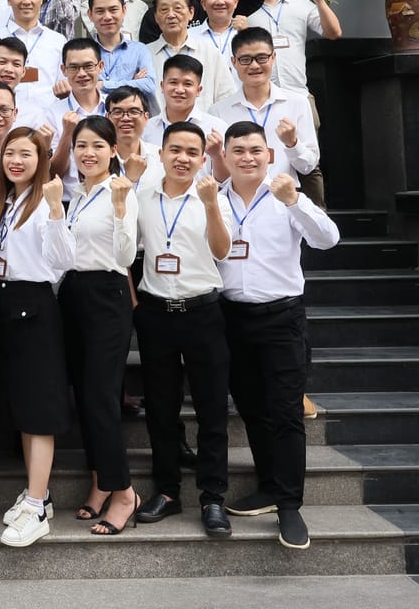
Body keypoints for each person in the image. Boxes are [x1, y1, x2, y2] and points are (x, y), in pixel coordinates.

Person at [217, 121, 340, 550]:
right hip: (231, 318)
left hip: (281, 318)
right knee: (251, 408)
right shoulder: (213, 198)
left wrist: (295, 201)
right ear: (225, 156)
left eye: (255, 150)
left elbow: (328, 240)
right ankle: (269, 485)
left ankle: (289, 504)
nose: (247, 158)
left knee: (286, 412)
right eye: (238, 150)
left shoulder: (285, 195)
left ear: (268, 155)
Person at [130, 121, 234, 538]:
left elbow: (223, 250)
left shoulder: (214, 197)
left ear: (203, 158)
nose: (182, 158)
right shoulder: (143, 196)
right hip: (156, 312)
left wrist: (210, 206)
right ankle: (167, 491)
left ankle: (212, 497)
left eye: (192, 152)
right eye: (175, 150)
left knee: (211, 408)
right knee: (160, 407)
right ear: (161, 154)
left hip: (202, 311)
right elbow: (125, 248)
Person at [0, 128, 74, 547]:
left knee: (38, 408)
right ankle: (38, 493)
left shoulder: (43, 203)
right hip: (8, 304)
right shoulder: (8, 202)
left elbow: (64, 259)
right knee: (23, 406)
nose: (16, 160)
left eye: (26, 153)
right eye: (10, 153)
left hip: (35, 305)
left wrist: (56, 210)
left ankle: (37, 507)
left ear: (42, 160)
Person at [60, 116, 141, 536]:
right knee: (84, 396)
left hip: (107, 295)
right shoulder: (77, 194)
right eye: (81, 145)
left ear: (113, 150)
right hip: (74, 294)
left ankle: (124, 493)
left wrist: (122, 208)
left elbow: (125, 256)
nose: (88, 153)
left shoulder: (119, 190)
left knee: (100, 397)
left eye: (97, 145)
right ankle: (100, 483)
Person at [245, 0, 341, 207]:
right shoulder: (250, 17)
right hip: (264, 99)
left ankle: (317, 217)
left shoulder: (301, 6)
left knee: (308, 160)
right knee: (267, 157)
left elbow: (333, 32)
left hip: (298, 95)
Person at [212, 28, 320, 191]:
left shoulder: (297, 103)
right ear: (234, 62)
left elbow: (308, 166)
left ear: (273, 57)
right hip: (238, 199)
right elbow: (216, 173)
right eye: (246, 59)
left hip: (284, 197)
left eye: (262, 58)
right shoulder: (218, 111)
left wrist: (292, 143)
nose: (254, 65)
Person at [148, 0, 236, 113]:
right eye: (164, 9)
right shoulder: (144, 55)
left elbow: (226, 98)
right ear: (156, 17)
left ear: (191, 13)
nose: (171, 15)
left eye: (178, 8)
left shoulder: (210, 52)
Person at [47, 38, 107, 199]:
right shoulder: (53, 113)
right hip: (69, 201)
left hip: (111, 198)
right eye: (73, 67)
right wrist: (67, 134)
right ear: (63, 69)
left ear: (100, 66)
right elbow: (53, 173)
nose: (81, 74)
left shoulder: (114, 108)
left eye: (88, 66)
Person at [141, 55, 227, 156]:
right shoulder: (146, 129)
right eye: (173, 82)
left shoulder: (217, 128)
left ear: (198, 90)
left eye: (187, 84)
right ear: (162, 86)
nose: (179, 90)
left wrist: (217, 155)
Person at [87, 0, 157, 107]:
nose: (107, 17)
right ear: (90, 15)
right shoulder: (84, 52)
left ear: (124, 10)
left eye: (113, 10)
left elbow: (149, 86)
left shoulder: (139, 50)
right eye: (100, 11)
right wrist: (132, 84)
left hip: (129, 116)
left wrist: (103, 85)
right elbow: (81, 88)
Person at [189, 0, 254, 88]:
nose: (220, 2)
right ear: (203, 4)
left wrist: (248, 35)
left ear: (235, 1)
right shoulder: (189, 37)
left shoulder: (248, 34)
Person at [104, 85, 163, 187]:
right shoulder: (99, 159)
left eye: (133, 112)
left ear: (146, 117)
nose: (125, 118)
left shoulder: (160, 157)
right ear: (107, 118)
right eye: (117, 112)